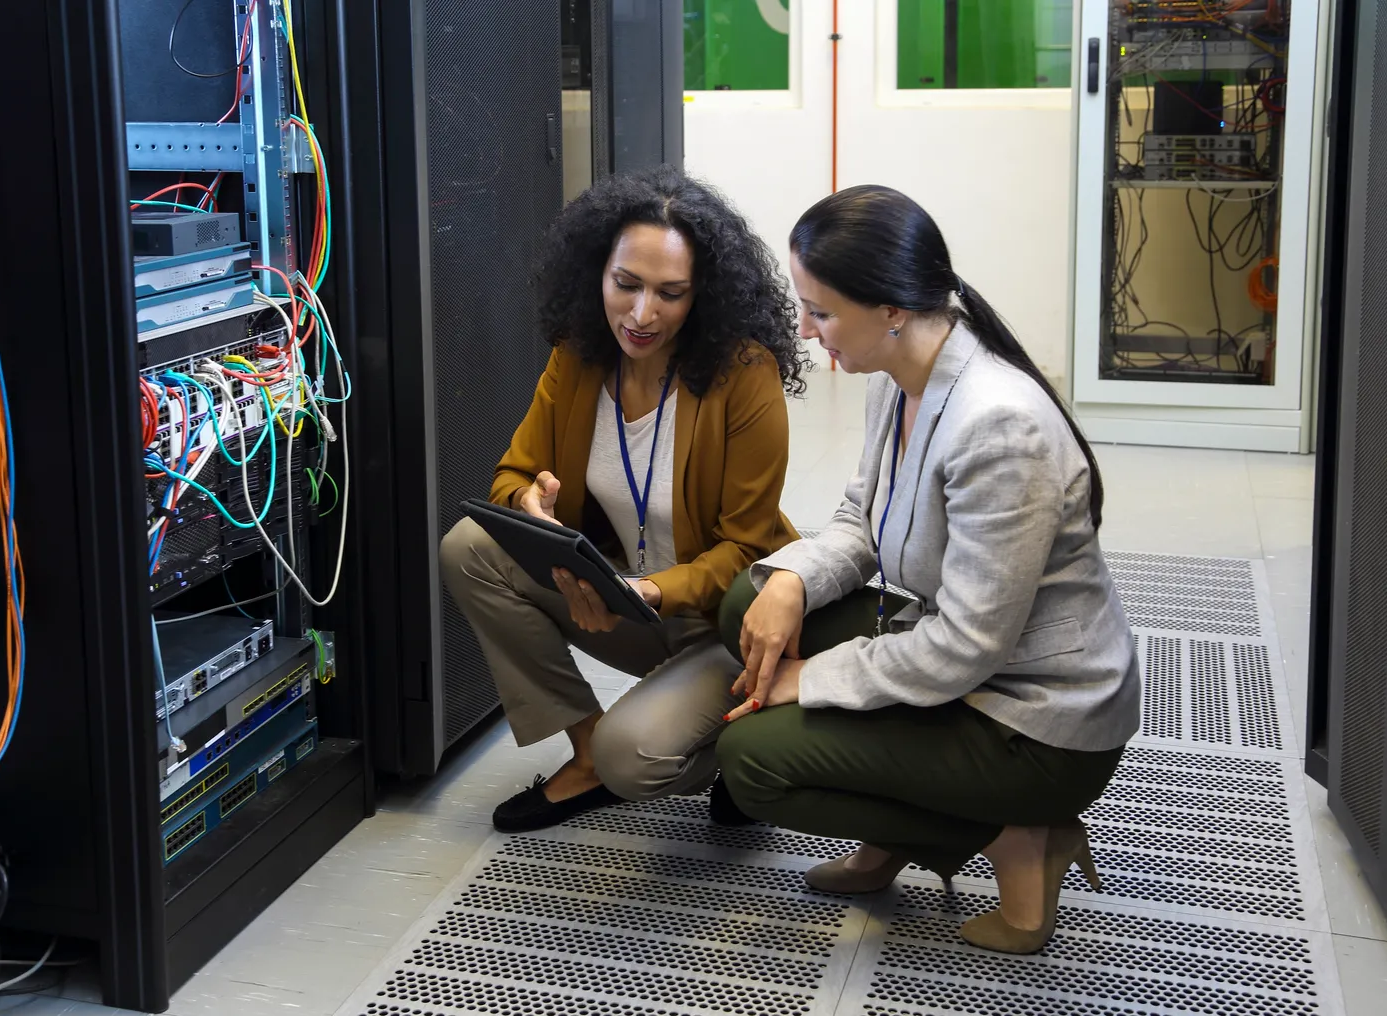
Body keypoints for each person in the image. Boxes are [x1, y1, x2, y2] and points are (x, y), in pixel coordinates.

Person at [714, 185, 1141, 956]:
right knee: (747, 603)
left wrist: (807, 679)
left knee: (751, 764)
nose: (808, 334)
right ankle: (894, 824)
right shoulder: (899, 377)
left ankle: (1020, 836)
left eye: (821, 312)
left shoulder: (997, 426)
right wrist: (790, 584)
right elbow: (860, 523)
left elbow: (965, 648)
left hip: (1035, 722)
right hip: (973, 663)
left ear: (892, 310)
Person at [440, 166, 806, 833]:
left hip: (722, 620)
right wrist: (533, 505)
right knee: (470, 549)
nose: (641, 315)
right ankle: (586, 756)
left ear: (704, 296)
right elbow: (510, 476)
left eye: (671, 294)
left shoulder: (743, 373)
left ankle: (738, 753)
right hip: (621, 599)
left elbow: (749, 546)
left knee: (633, 758)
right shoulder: (578, 356)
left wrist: (653, 591)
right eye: (626, 285)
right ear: (596, 273)